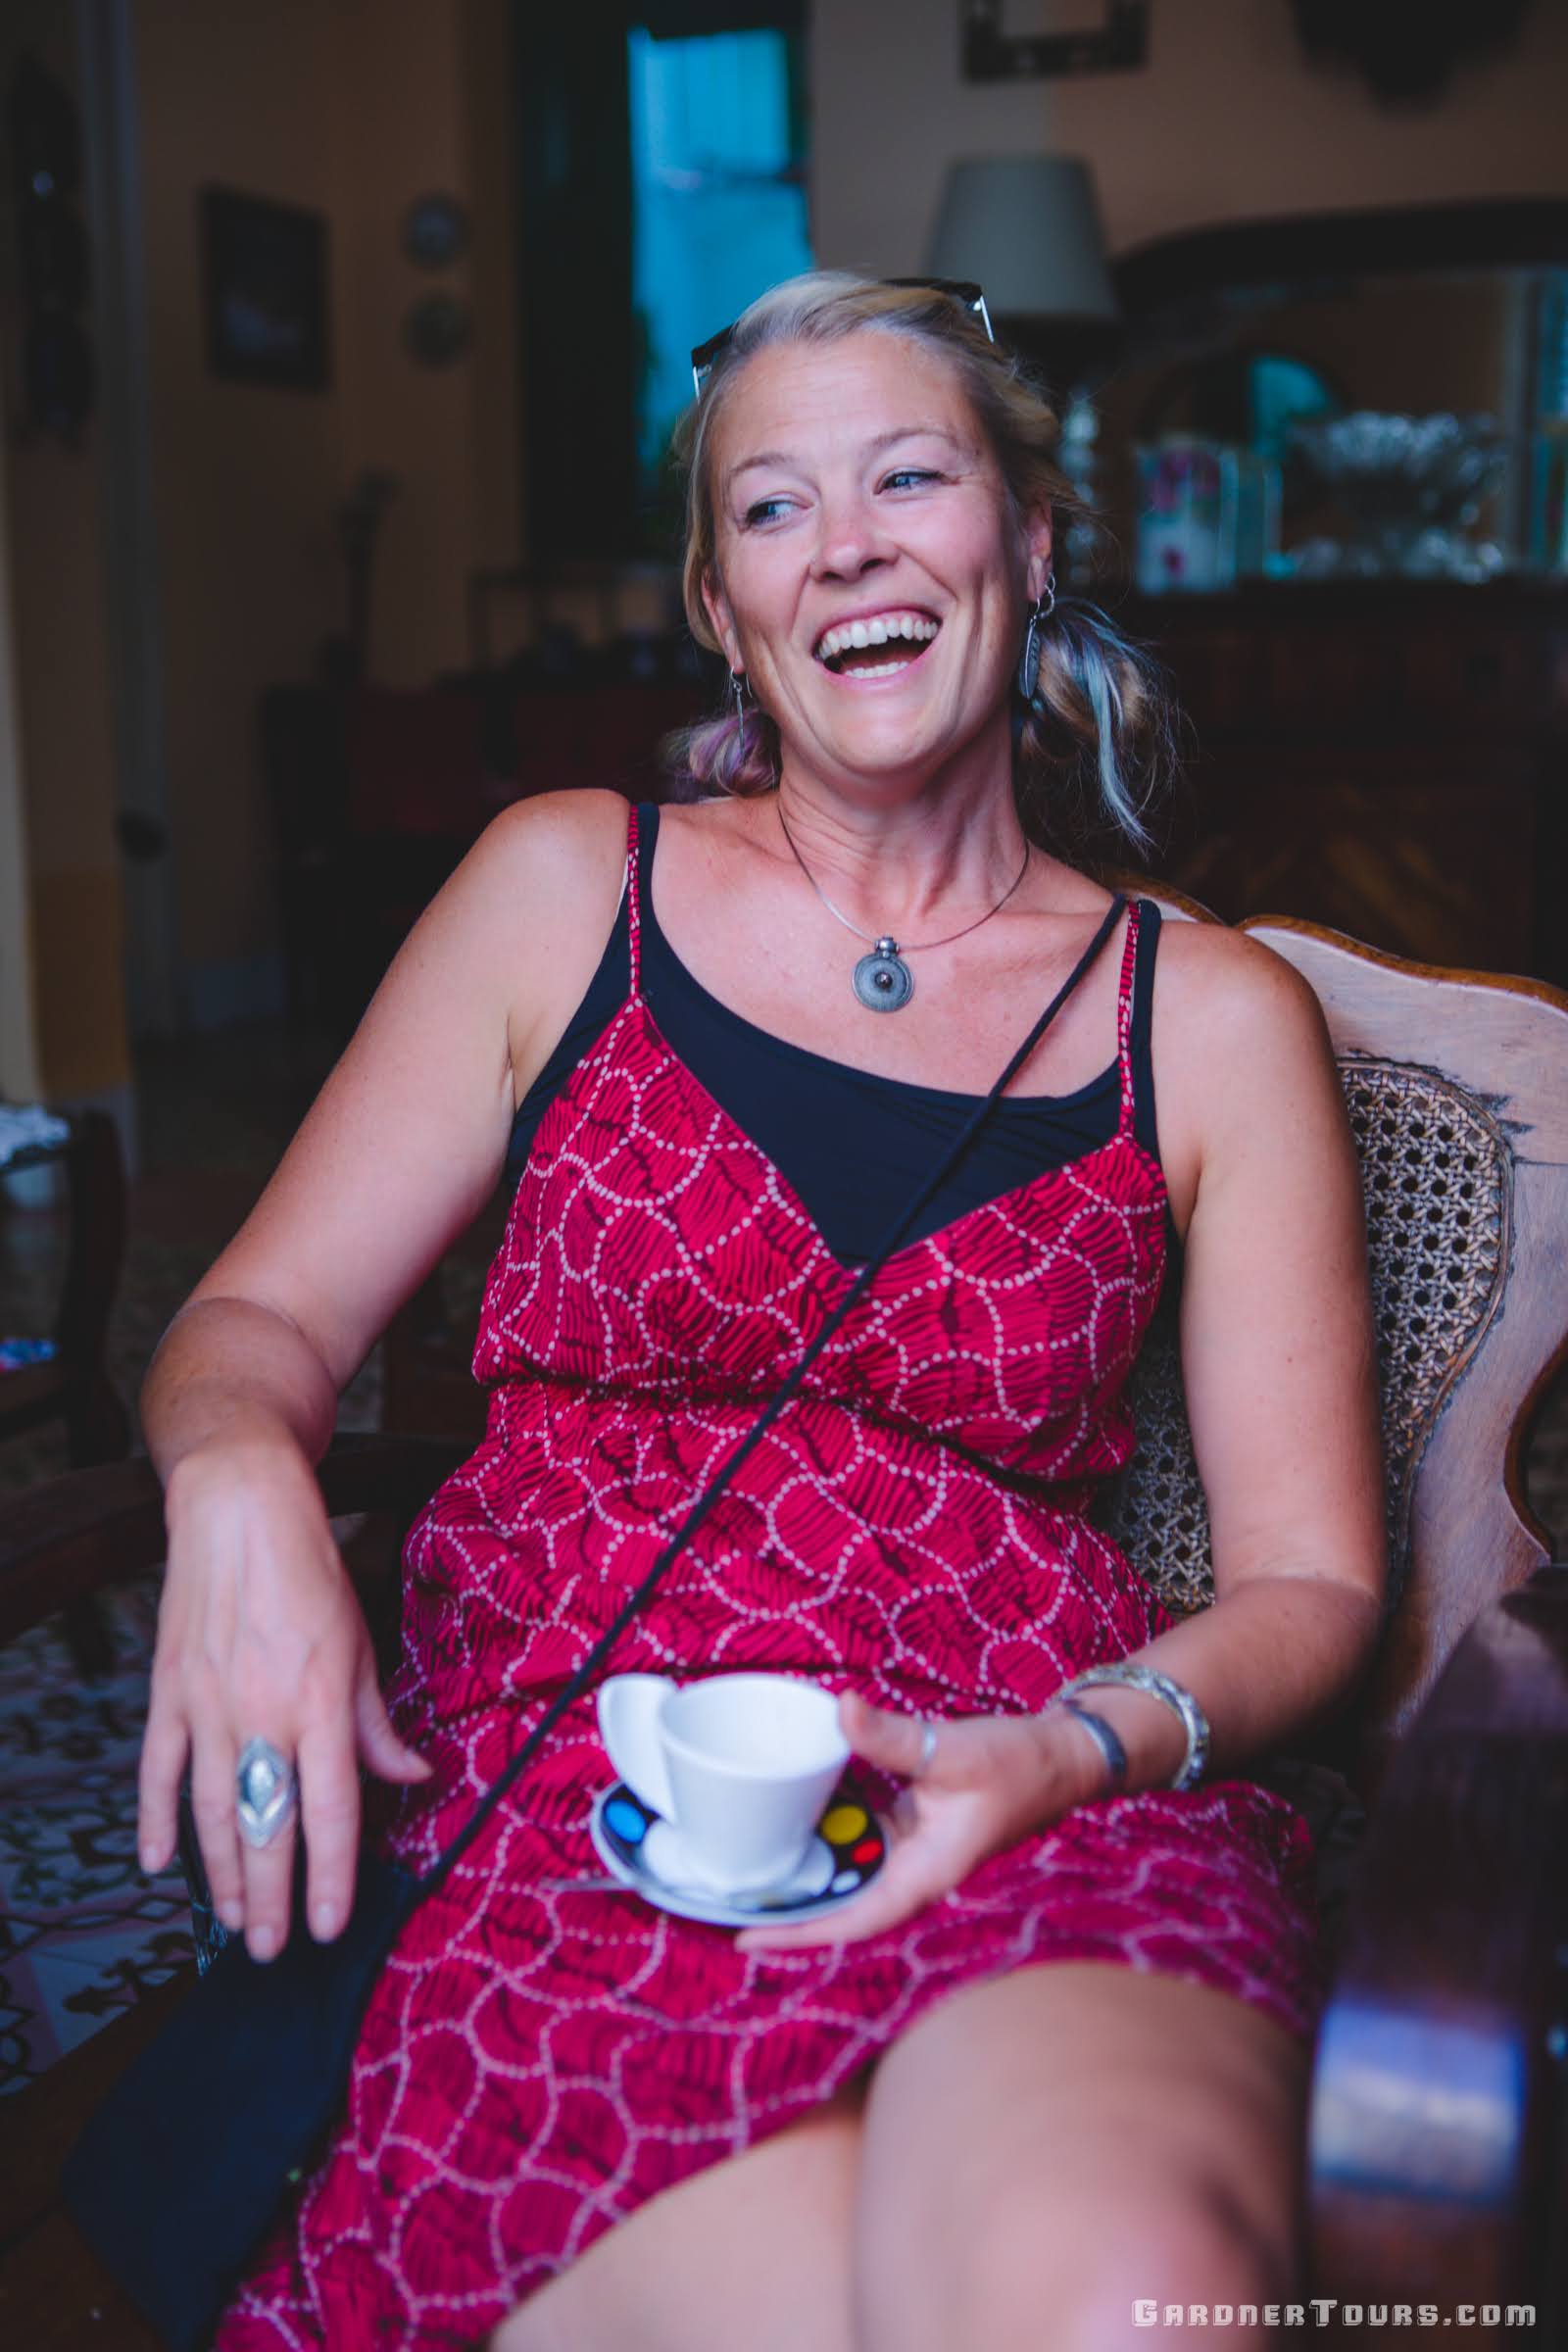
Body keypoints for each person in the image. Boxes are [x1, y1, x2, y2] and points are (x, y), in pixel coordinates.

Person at [135, 273, 1386, 2351]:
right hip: (579, 1782)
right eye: (773, 510)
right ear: (722, 607)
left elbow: (1314, 1582)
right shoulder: (562, 890)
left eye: (910, 476)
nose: (852, 547)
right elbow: (250, 1319)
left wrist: (1069, 1756)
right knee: (782, 2306)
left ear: (1032, 538)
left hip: (1017, 1778)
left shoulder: (1216, 1017)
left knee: (1123, 2302)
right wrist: (234, 1474)